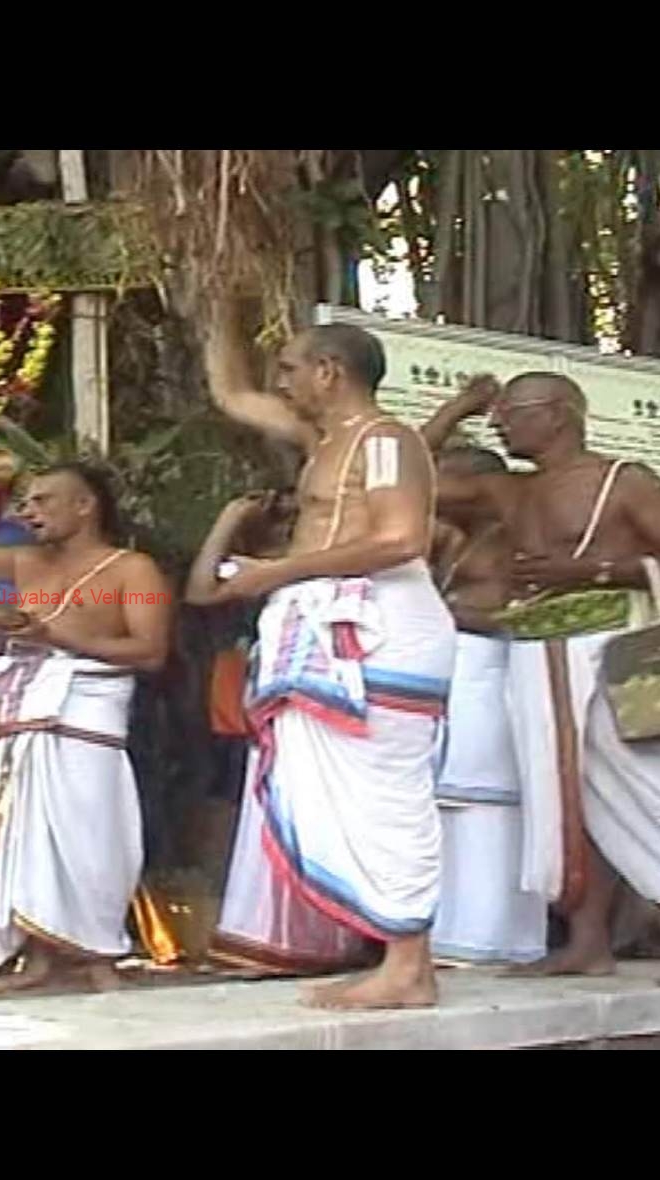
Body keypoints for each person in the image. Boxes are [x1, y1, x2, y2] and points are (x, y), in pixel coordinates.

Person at [423, 373, 660, 994]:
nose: (498, 424)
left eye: (512, 412)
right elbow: (404, 478)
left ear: (560, 413)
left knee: (658, 788)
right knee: (565, 799)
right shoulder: (503, 489)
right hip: (534, 651)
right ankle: (587, 942)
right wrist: (460, 406)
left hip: (610, 646)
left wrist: (588, 570)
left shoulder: (624, 480)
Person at [207, 322, 455, 1010]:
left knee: (385, 792)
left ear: (329, 371)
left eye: (289, 368)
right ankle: (397, 958)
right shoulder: (323, 439)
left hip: (379, 629)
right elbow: (231, 395)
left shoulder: (385, 441)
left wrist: (276, 572)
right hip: (330, 624)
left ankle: (408, 968)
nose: (280, 382)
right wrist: (218, 296)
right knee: (344, 793)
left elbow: (401, 539)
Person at [0, 458, 171, 993]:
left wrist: (51, 635)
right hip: (29, 709)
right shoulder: (25, 562)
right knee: (27, 835)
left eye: (43, 500)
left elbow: (150, 651)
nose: (29, 512)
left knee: (92, 834)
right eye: (25, 502)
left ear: (85, 505)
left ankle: (100, 959)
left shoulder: (133, 570)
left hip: (87, 711)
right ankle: (38, 961)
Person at [187, 490, 379, 976]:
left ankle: (328, 937)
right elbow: (200, 592)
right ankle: (268, 936)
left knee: (321, 812)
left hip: (331, 702)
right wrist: (229, 519)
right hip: (270, 701)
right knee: (268, 815)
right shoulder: (264, 565)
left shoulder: (350, 562)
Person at [427, 445, 548, 965]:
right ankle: (448, 934)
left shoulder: (512, 537)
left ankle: (493, 937)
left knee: (490, 806)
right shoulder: (454, 538)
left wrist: (445, 613)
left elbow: (518, 614)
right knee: (449, 808)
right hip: (457, 675)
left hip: (493, 671)